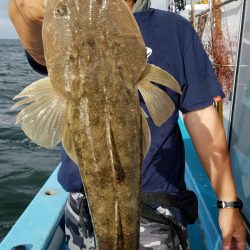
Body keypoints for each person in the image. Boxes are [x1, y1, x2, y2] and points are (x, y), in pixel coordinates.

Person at [9, 0, 246, 249]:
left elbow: (202, 119)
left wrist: (228, 203)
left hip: (156, 209)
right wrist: (29, 8)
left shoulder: (174, 29)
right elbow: (26, 17)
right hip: (82, 209)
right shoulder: (63, 23)